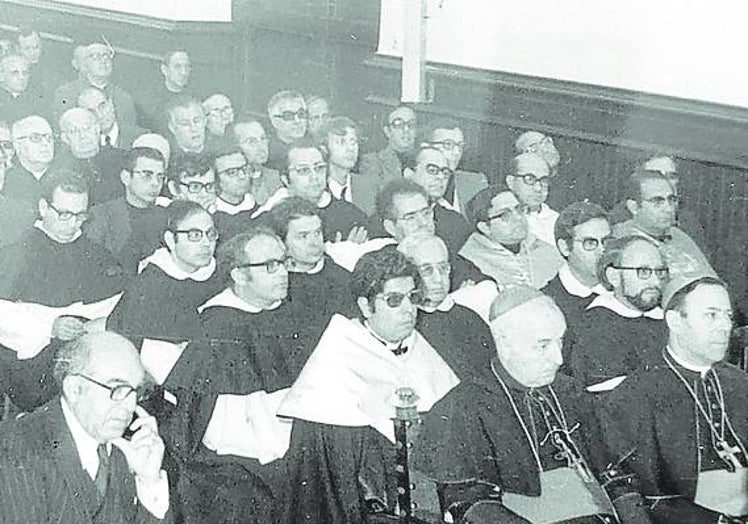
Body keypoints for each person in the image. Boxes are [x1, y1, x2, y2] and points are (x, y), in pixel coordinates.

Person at [413, 286, 644, 523]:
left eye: (560, 342)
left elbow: (616, 476)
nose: (559, 359)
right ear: (504, 343)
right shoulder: (464, 406)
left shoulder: (571, 391)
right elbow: (469, 503)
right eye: (543, 345)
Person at [278, 248, 460, 522]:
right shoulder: (334, 362)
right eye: (394, 300)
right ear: (365, 306)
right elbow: (331, 488)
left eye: (413, 297)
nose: (409, 309)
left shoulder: (422, 351)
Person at [172, 225, 323, 523]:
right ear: (239, 275)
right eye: (270, 266)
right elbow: (219, 428)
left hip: (293, 448)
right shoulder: (218, 326)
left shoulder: (293, 314)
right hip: (241, 463)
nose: (283, 273)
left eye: (284, 262)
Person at [601, 274, 748, 522]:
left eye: (728, 316)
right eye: (711, 315)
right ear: (675, 321)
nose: (725, 326)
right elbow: (635, 494)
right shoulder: (634, 396)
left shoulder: (741, 382)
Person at [0, 331, 171, 523]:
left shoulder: (123, 453)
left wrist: (149, 481)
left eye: (136, 392)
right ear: (74, 389)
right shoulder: (17, 449)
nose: (130, 405)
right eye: (117, 389)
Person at [0, 168, 125, 306]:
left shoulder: (99, 255)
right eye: (64, 214)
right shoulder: (14, 256)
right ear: (43, 207)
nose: (73, 224)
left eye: (80, 215)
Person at [107, 200, 221, 348]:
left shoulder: (221, 276)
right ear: (170, 240)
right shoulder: (149, 284)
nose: (206, 243)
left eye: (211, 234)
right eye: (195, 235)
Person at [570, 236, 668, 390]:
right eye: (643, 271)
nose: (655, 282)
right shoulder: (595, 329)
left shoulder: (666, 319)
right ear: (614, 276)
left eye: (660, 272)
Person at [397, 232, 496, 381]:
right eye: (427, 270)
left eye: (443, 268)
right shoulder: (405, 326)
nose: (438, 279)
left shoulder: (468, 317)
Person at [267, 196, 356, 329]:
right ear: (281, 241)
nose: (314, 243)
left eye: (317, 233)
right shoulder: (272, 284)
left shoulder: (344, 280)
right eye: (303, 236)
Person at [257, 139, 368, 242]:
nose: (314, 176)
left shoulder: (351, 215)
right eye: (303, 170)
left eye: (319, 168)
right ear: (285, 179)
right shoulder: (268, 220)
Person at [612, 170, 713, 281]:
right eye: (657, 201)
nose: (669, 209)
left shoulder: (679, 235)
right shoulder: (620, 239)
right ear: (634, 207)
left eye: (672, 200)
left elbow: (711, 278)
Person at [84, 146, 168, 275]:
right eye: (147, 175)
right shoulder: (101, 216)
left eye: (160, 176)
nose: (155, 183)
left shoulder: (167, 216)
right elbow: (92, 266)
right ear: (126, 177)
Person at [459, 186, 562, 289]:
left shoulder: (546, 251)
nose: (518, 217)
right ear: (485, 227)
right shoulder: (469, 262)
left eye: (519, 209)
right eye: (505, 215)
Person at [542, 201, 612, 349]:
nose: (602, 251)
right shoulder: (548, 303)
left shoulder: (623, 289)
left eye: (606, 241)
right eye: (590, 243)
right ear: (565, 247)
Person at [53, 34, 137, 127]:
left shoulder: (123, 99)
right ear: (84, 63)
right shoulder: (67, 94)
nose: (103, 61)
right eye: (96, 57)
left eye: (106, 55)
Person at [403, 145, 473, 255]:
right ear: (409, 174)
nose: (441, 177)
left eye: (445, 173)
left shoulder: (456, 223)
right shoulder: (390, 217)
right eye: (432, 170)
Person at [57, 107, 126, 205]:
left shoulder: (121, 158)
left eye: (87, 128)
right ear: (65, 138)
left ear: (98, 128)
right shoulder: (61, 170)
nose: (82, 136)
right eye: (74, 131)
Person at [423, 117, 488, 214]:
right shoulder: (413, 183)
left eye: (460, 146)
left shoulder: (476, 182)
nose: (457, 152)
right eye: (448, 144)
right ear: (426, 147)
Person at [358, 104, 416, 191]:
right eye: (398, 124)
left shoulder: (422, 162)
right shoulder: (373, 161)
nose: (406, 129)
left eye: (411, 124)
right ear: (387, 131)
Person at [507, 152, 559, 246]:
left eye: (544, 180)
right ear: (511, 181)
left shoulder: (557, 221)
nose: (538, 188)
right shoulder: (499, 219)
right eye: (530, 179)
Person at [137, 50, 193, 134]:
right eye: (177, 67)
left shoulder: (194, 98)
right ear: (164, 70)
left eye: (187, 67)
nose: (183, 72)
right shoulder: (149, 101)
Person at [232, 118, 283, 205]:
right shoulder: (232, 183)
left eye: (263, 138)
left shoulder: (275, 177)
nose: (261, 146)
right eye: (251, 141)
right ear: (235, 146)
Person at [3, 115, 54, 202]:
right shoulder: (5, 180)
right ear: (17, 145)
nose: (46, 143)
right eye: (35, 138)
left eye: (49, 137)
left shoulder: (65, 176)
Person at [212, 145, 257, 239]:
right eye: (232, 172)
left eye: (245, 169)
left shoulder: (261, 210)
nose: (242, 176)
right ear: (216, 179)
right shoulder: (212, 217)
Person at [78, 86, 146, 149]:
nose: (100, 115)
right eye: (91, 112)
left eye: (102, 107)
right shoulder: (82, 146)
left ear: (111, 104)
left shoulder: (140, 137)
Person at [266, 90, 307, 171]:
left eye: (301, 114)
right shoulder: (269, 156)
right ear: (274, 121)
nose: (297, 121)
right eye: (288, 116)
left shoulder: (315, 148)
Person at [0, 52, 45, 123]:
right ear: (1, 76)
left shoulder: (37, 101)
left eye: (25, 73)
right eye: (15, 73)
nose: (21, 77)